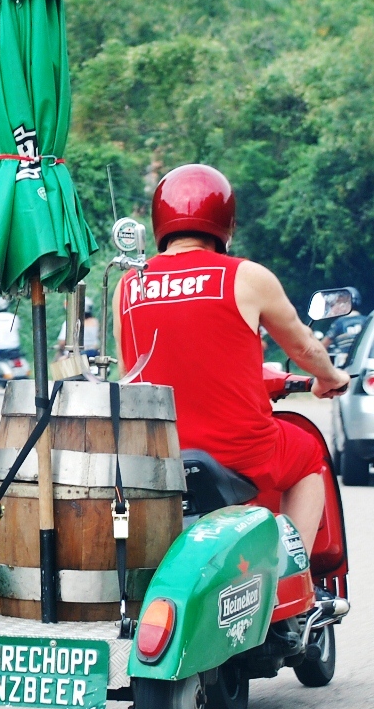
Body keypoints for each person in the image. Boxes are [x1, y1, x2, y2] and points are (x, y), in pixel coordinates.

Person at [113, 163, 349, 556]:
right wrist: (329, 376)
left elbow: (131, 373)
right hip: (240, 453)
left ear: (159, 221)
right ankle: (291, 569)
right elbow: (304, 349)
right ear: (226, 221)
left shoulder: (127, 284)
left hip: (156, 452)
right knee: (307, 454)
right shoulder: (246, 276)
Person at [322, 287, 364, 362]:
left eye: (339, 302)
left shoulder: (339, 323)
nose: (336, 306)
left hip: (345, 363)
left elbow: (323, 346)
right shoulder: (367, 320)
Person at [56, 296, 100, 361]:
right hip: (94, 353)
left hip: (77, 355)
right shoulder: (95, 322)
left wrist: (60, 349)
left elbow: (62, 342)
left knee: (58, 360)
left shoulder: (70, 323)